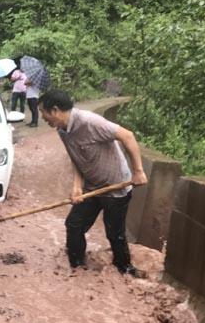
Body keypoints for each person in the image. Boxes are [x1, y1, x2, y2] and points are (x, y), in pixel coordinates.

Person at [38, 90, 148, 275]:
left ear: (55, 110)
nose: (42, 117)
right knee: (74, 224)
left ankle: (126, 270)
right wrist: (77, 186)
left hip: (115, 187)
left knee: (114, 233)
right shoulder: (62, 131)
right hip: (92, 187)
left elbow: (127, 136)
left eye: (43, 111)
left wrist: (138, 171)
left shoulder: (90, 122)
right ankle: (76, 268)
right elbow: (77, 158)